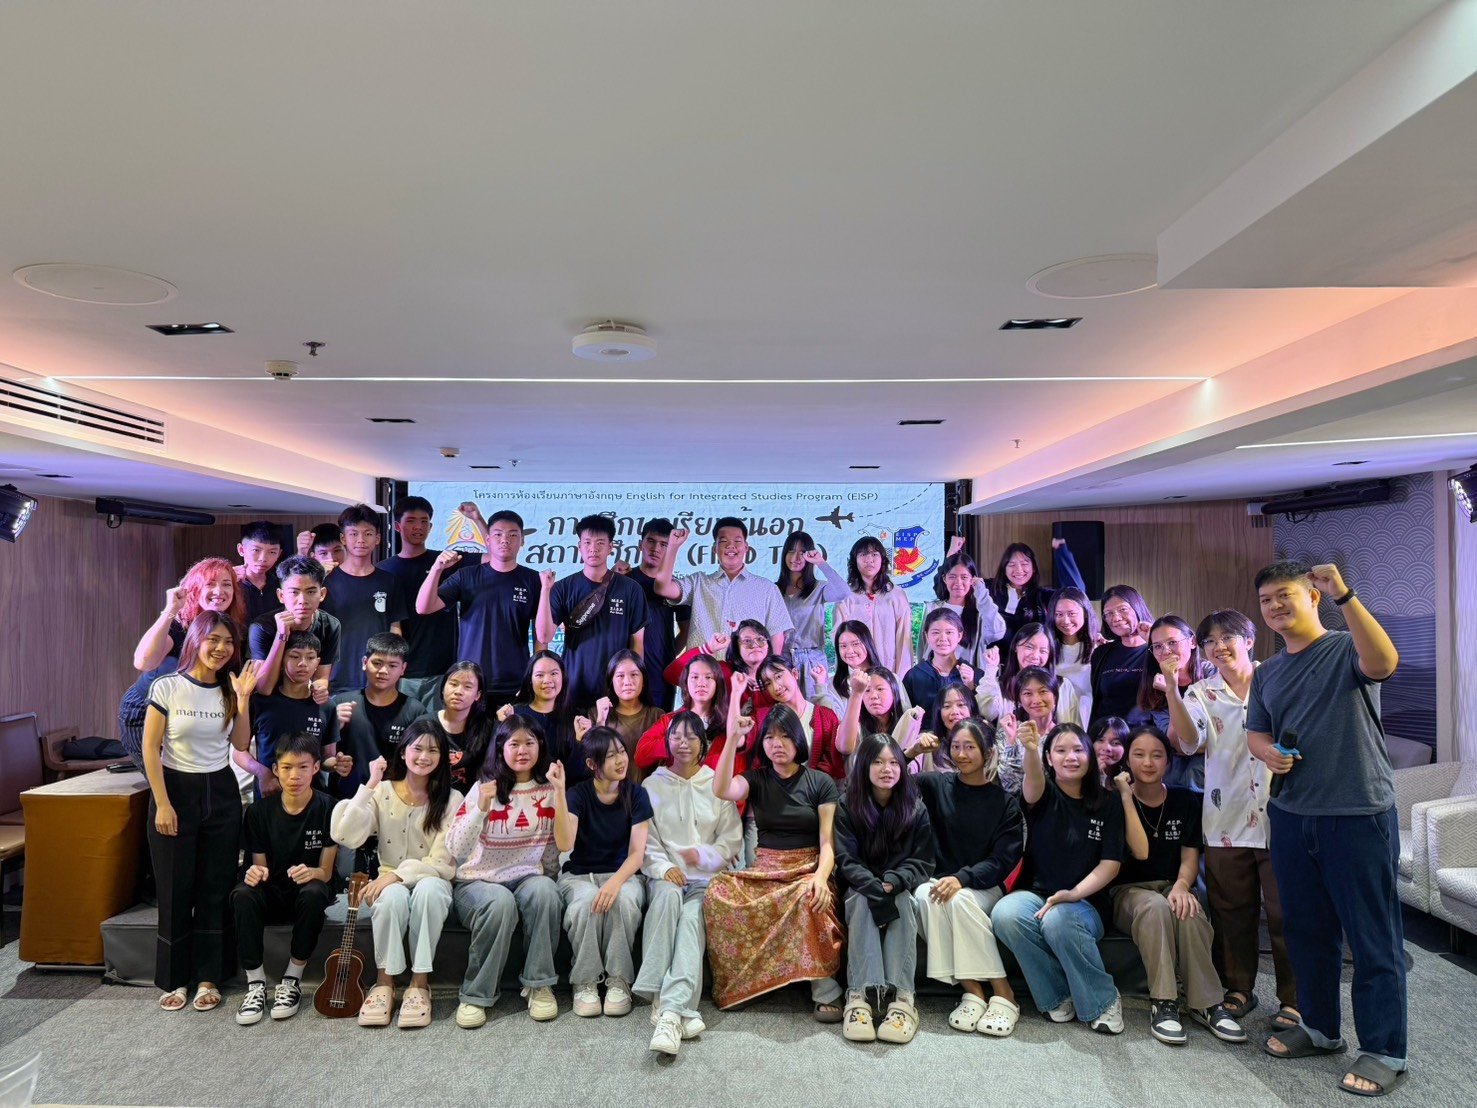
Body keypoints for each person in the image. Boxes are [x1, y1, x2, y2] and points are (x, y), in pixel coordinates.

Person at [1247, 561, 1406, 1097]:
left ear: (1312, 595)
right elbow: (1256, 736)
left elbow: (1384, 662)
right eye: (1266, 600)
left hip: (1358, 813)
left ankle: (1385, 1048)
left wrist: (1346, 595)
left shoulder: (1344, 647)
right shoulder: (1266, 672)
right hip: (1292, 816)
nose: (1275, 606)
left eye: (1285, 595)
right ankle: (1318, 1028)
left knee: (1372, 937)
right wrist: (1270, 755)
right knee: (1307, 932)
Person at [1164, 608, 1297, 1031]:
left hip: (1284, 813)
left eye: (1228, 638)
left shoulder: (1278, 678)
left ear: (1249, 640)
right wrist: (1171, 686)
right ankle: (1237, 988)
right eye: (1210, 642)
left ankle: (1294, 999)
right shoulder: (1201, 691)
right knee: (1231, 910)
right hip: (1226, 816)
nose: (1219, 647)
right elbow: (1187, 742)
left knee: (1286, 912)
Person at [142, 613, 261, 1012]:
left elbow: (241, 743)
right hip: (176, 790)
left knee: (215, 887)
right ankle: (175, 980)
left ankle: (210, 975)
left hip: (221, 792)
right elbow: (150, 749)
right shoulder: (168, 686)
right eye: (213, 639)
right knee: (176, 889)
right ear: (195, 639)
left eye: (228, 641)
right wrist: (161, 802)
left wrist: (243, 699)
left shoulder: (230, 689)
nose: (221, 648)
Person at [706, 703, 844, 1018]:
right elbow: (722, 788)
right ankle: (745, 983)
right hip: (766, 869)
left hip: (809, 867)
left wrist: (821, 877)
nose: (776, 744)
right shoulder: (756, 779)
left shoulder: (819, 782)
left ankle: (825, 990)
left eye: (784, 736)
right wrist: (732, 738)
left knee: (807, 895)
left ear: (798, 740)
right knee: (717, 891)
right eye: (769, 737)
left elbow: (827, 842)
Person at [1109, 726, 1244, 1046]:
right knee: (1155, 908)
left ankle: (1208, 1003)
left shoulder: (1184, 800)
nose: (1148, 762)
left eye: (1157, 755)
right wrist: (1126, 798)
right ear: (1127, 760)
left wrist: (1183, 886)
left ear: (1168, 761)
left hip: (1172, 884)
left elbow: (1189, 856)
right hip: (1128, 891)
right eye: (1139, 754)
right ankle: (1164, 1002)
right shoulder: (1115, 801)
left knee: (1188, 910)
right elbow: (1133, 853)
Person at [990, 722, 1125, 1034]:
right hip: (1037, 893)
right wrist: (1031, 749)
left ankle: (1104, 1000)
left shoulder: (1108, 802)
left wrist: (1073, 894)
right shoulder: (1041, 794)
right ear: (1049, 758)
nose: (1071, 757)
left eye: (1078, 749)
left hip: (1087, 901)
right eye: (1061, 751)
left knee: (1059, 919)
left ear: (1090, 755)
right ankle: (1058, 993)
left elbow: (1111, 864)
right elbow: (1033, 782)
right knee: (1005, 914)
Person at [332, 720, 460, 1028]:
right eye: (418, 748)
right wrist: (371, 784)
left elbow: (442, 860)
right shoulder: (384, 791)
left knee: (428, 892)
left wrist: (398, 875)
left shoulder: (452, 798)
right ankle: (385, 982)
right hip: (388, 878)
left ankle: (419, 983)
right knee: (390, 899)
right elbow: (344, 835)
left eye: (433, 750)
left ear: (442, 756)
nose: (424, 756)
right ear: (403, 752)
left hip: (433, 877)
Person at [447, 716, 572, 1027]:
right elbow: (457, 849)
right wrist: (481, 807)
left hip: (526, 875)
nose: (522, 750)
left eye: (529, 743)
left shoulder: (548, 789)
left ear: (540, 746)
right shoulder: (483, 788)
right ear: (500, 748)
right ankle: (476, 994)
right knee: (499, 902)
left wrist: (561, 791)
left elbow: (556, 848)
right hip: (478, 881)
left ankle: (538, 984)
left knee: (546, 892)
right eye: (514, 744)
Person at [634, 711, 743, 1055]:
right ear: (667, 742)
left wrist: (706, 857)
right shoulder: (652, 785)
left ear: (703, 744)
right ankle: (669, 1001)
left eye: (691, 737)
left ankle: (669, 1009)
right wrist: (664, 867)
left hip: (705, 879)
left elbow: (730, 841)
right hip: (665, 876)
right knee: (666, 902)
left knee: (692, 919)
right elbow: (646, 840)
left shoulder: (716, 783)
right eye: (676, 736)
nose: (683, 743)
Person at [915, 719, 1025, 1037]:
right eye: (956, 746)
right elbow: (891, 780)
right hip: (940, 882)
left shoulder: (1005, 803)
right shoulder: (936, 785)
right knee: (926, 894)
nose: (961, 754)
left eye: (970, 747)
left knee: (956, 897)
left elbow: (1003, 861)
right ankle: (974, 991)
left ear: (988, 753)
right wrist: (912, 751)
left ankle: (1004, 993)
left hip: (983, 887)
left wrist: (962, 878)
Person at [834, 733, 935, 1044]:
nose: (887, 769)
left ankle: (903, 1000)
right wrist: (874, 885)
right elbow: (845, 859)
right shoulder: (847, 805)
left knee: (905, 902)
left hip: (898, 885)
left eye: (894, 762)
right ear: (864, 765)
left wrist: (893, 881)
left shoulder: (915, 809)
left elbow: (923, 861)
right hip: (860, 886)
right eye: (877, 762)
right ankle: (859, 997)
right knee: (862, 900)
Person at [231, 733, 337, 1026]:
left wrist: (313, 872)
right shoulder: (259, 811)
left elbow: (326, 872)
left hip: (307, 894)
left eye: (303, 767)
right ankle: (255, 983)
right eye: (287, 767)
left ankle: (292, 978)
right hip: (273, 890)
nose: (295, 775)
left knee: (316, 890)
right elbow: (259, 868)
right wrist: (255, 872)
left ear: (316, 768)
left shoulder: (329, 807)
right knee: (243, 893)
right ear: (275, 769)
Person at [121, 558, 248, 772]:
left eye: (226, 584)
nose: (219, 591)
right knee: (168, 784)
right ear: (195, 589)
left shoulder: (231, 628)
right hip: (145, 711)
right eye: (210, 584)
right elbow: (143, 662)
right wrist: (170, 609)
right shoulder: (181, 624)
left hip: (192, 716)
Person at [559, 726, 652, 1018]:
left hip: (624, 873)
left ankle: (619, 981)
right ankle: (585, 982)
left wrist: (614, 883)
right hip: (579, 875)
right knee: (585, 904)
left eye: (622, 752)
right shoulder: (577, 794)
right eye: (610, 756)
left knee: (623, 901)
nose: (620, 760)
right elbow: (565, 843)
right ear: (592, 764)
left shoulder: (637, 794)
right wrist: (558, 794)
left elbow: (637, 854)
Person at [417, 509, 544, 711]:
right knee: (469, 741)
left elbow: (541, 636)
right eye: (498, 534)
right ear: (488, 540)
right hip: (470, 681)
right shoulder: (466, 576)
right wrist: (436, 569)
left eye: (513, 535)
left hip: (514, 682)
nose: (505, 540)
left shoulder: (533, 580)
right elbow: (423, 607)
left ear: (522, 541)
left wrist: (537, 678)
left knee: (511, 741)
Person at [536, 514, 648, 711]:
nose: (593, 548)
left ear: (611, 547)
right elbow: (544, 636)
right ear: (579, 547)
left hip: (616, 688)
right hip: (574, 684)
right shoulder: (563, 588)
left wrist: (634, 688)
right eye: (587, 542)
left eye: (600, 543)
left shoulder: (631, 589)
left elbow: (637, 644)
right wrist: (545, 590)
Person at [377, 496, 473, 705]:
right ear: (397, 526)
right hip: (399, 670)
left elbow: (493, 557)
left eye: (424, 521)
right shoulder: (383, 570)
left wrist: (477, 519)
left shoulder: (447, 561)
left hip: (442, 668)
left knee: (437, 730)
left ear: (430, 526)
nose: (418, 527)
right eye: (411, 521)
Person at [650, 518, 794, 656]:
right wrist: (673, 547)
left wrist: (771, 673)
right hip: (704, 676)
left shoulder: (767, 588)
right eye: (723, 541)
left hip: (748, 676)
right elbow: (662, 588)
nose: (731, 546)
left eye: (737, 541)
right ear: (714, 548)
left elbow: (777, 634)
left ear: (746, 547)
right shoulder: (698, 582)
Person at [237, 631, 349, 799]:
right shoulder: (260, 702)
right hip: (270, 795)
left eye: (310, 658)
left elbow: (327, 758)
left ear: (317, 662)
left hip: (313, 798)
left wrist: (337, 764)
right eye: (295, 656)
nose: (303, 664)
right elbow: (239, 752)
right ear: (281, 660)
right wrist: (263, 774)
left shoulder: (325, 706)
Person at [321, 505, 409, 695]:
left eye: (368, 533)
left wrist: (394, 669)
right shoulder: (326, 581)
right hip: (335, 677)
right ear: (343, 538)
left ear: (377, 538)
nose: (360, 540)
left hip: (379, 677)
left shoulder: (389, 581)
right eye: (353, 534)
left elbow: (395, 628)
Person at [330, 633, 428, 793]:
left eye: (392, 665)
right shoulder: (340, 704)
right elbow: (321, 757)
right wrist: (335, 758)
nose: (383, 671)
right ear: (364, 662)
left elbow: (421, 760)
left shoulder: (415, 711)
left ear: (403, 669)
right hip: (345, 797)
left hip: (394, 800)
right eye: (377, 663)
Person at [618, 518, 691, 710]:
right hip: (625, 674)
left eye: (663, 544)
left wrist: (666, 654)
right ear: (641, 544)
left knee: (659, 735)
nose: (656, 548)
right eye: (651, 541)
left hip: (661, 677)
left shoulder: (676, 587)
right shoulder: (624, 580)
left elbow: (686, 630)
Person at [1134, 615, 1213, 791]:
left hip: (1217, 765)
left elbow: (1223, 736)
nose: (1166, 651)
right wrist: (1172, 689)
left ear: (1192, 642)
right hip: (1178, 768)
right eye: (1158, 646)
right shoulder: (1156, 684)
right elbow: (1176, 745)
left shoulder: (1212, 674)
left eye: (1172, 642)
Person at [247, 555, 342, 695]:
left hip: (305, 699)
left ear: (322, 594)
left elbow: (321, 678)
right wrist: (281, 636)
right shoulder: (261, 627)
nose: (302, 600)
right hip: (267, 704)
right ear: (281, 596)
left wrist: (320, 690)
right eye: (294, 592)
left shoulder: (331, 625)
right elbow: (263, 688)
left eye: (310, 592)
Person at [776, 531, 851, 698]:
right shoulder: (774, 590)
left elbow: (844, 592)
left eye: (802, 552)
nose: (795, 557)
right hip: (783, 660)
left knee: (816, 711)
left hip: (813, 660)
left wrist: (821, 563)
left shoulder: (818, 588)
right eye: (791, 551)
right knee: (786, 713)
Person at [751, 656, 846, 781]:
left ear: (795, 673)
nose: (776, 687)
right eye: (768, 683)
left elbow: (833, 765)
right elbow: (759, 765)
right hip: (776, 793)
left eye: (778, 677)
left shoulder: (824, 716)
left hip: (816, 794)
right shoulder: (763, 718)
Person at [634, 654, 730, 775]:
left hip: (712, 791)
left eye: (708, 677)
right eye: (694, 677)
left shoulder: (727, 724)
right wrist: (674, 740)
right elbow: (641, 756)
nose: (701, 683)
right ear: (686, 682)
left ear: (718, 683)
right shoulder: (669, 720)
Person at [976, 623, 1084, 726]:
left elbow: (1073, 728)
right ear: (1015, 647)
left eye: (1043, 651)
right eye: (1029, 647)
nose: (1035, 656)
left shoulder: (1062, 685)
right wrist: (991, 668)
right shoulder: (1000, 684)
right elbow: (984, 712)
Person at [985, 539, 1086, 649]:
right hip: (991, 661)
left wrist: (1062, 554)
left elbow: (1076, 593)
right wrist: (961, 552)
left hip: (1032, 661)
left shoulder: (1043, 596)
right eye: (1011, 564)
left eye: (1024, 564)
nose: (1018, 570)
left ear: (1033, 568)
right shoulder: (988, 589)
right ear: (1004, 568)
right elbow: (965, 580)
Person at [834, 535, 913, 674]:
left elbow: (903, 638)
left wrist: (901, 677)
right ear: (854, 561)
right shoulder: (846, 596)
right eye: (863, 554)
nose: (869, 559)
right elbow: (838, 636)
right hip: (856, 673)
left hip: (888, 670)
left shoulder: (896, 595)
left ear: (882, 559)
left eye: (874, 554)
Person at [924, 540, 1006, 673]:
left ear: (972, 579)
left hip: (970, 683)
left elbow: (998, 632)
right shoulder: (933, 609)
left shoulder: (980, 613)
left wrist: (982, 594)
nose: (958, 582)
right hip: (935, 680)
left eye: (964, 577)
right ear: (944, 579)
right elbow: (924, 648)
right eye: (952, 577)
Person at [506, 651, 585, 784]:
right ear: (530, 680)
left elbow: (579, 773)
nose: (547, 680)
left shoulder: (576, 718)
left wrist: (579, 741)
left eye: (554, 673)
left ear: (563, 677)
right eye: (539, 675)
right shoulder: (514, 714)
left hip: (563, 792)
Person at [419, 662, 492, 792]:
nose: (458, 692)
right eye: (453, 684)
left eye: (467, 687)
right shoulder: (424, 724)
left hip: (470, 803)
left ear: (478, 695)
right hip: (429, 799)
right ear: (442, 688)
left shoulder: (487, 728)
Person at [1089, 585, 1153, 726]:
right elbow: (1097, 702)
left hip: (1146, 738)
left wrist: (1154, 641)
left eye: (1123, 610)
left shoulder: (1156, 651)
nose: (1116, 618)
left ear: (1137, 608)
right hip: (1107, 738)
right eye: (1109, 613)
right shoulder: (1101, 653)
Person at [590, 649, 665, 759]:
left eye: (634, 674)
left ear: (643, 680)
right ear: (611, 681)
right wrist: (600, 721)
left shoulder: (657, 716)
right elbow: (594, 758)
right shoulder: (596, 714)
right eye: (620, 676)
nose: (627, 682)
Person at [903, 609, 977, 717]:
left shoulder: (974, 674)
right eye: (936, 632)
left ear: (959, 636)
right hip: (925, 734)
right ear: (926, 636)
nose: (943, 638)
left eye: (949, 632)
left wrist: (971, 686)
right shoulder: (914, 676)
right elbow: (906, 716)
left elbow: (981, 715)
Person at [839, 666, 925, 757]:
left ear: (894, 692)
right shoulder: (855, 727)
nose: (873, 696)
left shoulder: (908, 725)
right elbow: (844, 748)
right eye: (867, 690)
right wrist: (856, 693)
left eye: (880, 689)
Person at [1047, 586, 1098, 723]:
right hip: (1057, 722)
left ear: (1085, 613)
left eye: (1071, 613)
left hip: (1091, 720)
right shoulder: (1046, 649)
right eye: (1059, 614)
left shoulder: (1098, 647)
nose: (1066, 621)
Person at [233, 522, 285, 625]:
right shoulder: (230, 583)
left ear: (279, 554)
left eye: (272, 552)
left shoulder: (282, 584)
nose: (263, 559)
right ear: (241, 550)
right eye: (256, 550)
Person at [1090, 716, 1130, 788]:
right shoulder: (1080, 773)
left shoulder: (1129, 778)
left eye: (1115, 743)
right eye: (1101, 740)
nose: (1107, 748)